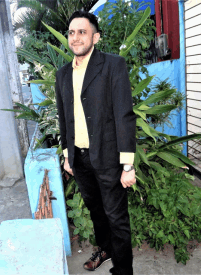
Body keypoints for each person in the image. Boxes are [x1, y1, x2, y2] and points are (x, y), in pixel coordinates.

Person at [55, 10, 136, 275]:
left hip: (109, 157)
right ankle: (105, 250)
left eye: (82, 31)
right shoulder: (62, 75)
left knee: (116, 217)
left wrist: (127, 165)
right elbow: (64, 118)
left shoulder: (113, 65)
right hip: (80, 159)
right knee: (96, 212)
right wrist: (68, 156)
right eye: (71, 32)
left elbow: (124, 115)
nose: (75, 37)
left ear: (96, 37)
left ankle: (123, 270)